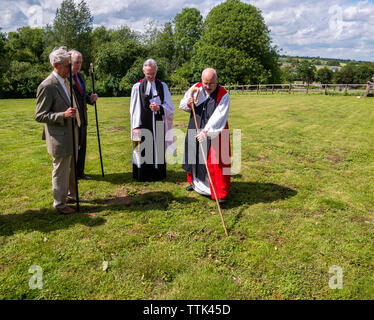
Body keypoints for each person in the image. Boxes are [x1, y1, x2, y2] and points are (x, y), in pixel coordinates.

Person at [35, 46, 81, 214]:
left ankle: (70, 196)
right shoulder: (47, 86)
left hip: (71, 132)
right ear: (56, 64)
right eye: (67, 65)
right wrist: (63, 115)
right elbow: (40, 115)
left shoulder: (66, 81)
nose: (70, 68)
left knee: (70, 167)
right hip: (59, 136)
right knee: (60, 169)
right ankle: (59, 204)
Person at [179, 68, 231, 203]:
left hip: (215, 131)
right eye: (205, 83)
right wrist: (188, 103)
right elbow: (183, 105)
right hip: (195, 125)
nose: (207, 87)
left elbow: (219, 116)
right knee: (194, 154)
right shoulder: (196, 88)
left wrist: (206, 132)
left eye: (211, 84)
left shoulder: (223, 95)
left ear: (217, 81)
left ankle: (218, 192)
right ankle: (195, 184)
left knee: (214, 161)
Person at [129, 59, 175, 181]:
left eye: (153, 73)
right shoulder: (137, 87)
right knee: (143, 147)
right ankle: (144, 174)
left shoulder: (162, 86)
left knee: (158, 147)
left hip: (159, 122)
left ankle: (158, 174)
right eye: (148, 73)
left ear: (156, 71)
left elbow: (170, 107)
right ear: (143, 71)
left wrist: (159, 107)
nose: (151, 76)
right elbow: (134, 108)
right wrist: (135, 126)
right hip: (143, 123)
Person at [69, 49, 98, 180]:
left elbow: (82, 96)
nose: (79, 65)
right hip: (73, 118)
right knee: (74, 147)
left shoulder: (80, 76)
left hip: (84, 117)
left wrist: (90, 99)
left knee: (83, 146)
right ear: (70, 62)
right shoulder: (66, 78)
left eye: (80, 63)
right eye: (76, 62)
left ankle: (80, 173)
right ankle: (72, 174)